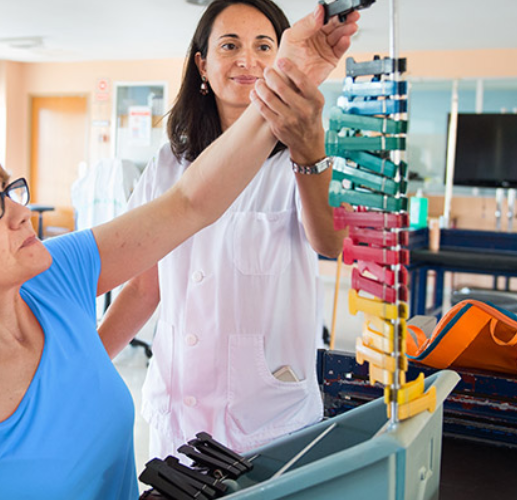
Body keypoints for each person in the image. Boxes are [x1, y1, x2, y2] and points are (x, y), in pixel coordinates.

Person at [0, 7, 357, 498]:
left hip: (264, 404)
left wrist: (291, 79)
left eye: (10, 191)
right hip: (188, 406)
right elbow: (149, 276)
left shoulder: (57, 275)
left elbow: (190, 202)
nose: (20, 213)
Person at [99, 0, 358, 458]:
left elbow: (331, 242)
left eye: (264, 46)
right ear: (202, 63)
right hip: (177, 409)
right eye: (230, 45)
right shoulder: (168, 163)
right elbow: (144, 285)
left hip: (266, 417)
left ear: (281, 60)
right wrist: (84, 368)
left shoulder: (303, 157)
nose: (247, 60)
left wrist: (309, 150)